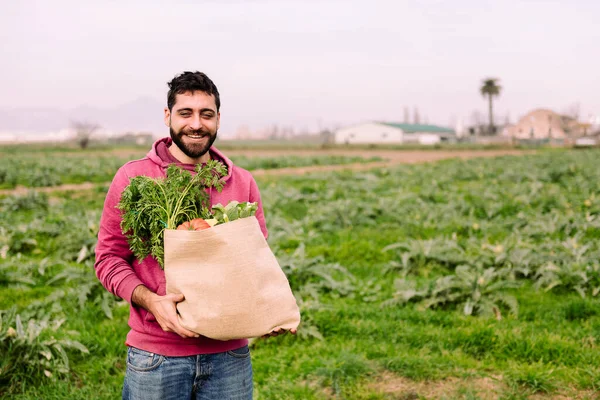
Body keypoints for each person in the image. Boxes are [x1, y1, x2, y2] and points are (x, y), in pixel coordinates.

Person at [95, 71, 293, 400]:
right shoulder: (133, 176)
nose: (196, 124)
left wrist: (268, 309)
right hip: (156, 356)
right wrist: (152, 302)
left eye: (206, 114)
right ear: (168, 116)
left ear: (218, 119)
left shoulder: (241, 182)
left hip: (229, 356)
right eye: (186, 113)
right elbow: (108, 259)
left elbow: (255, 263)